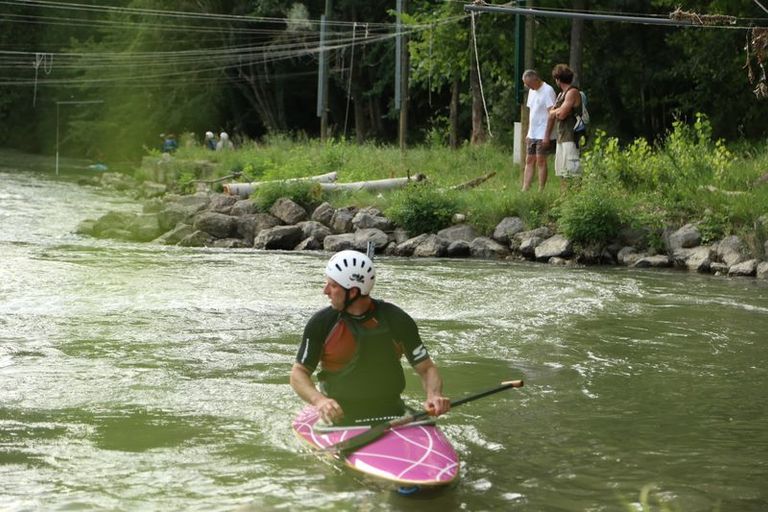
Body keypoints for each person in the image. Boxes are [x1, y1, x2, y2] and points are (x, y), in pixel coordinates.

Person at [290, 250, 451, 426]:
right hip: (338, 416)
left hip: (392, 412)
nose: (325, 291)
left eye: (333, 285)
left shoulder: (396, 320)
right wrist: (319, 401)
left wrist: (434, 395)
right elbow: (299, 373)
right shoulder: (322, 323)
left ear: (352, 292)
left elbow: (426, 368)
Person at [521, 69, 557, 192]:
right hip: (533, 133)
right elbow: (532, 113)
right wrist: (529, 132)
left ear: (536, 79)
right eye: (526, 84)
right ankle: (525, 187)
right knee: (529, 159)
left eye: (529, 84)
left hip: (543, 133)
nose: (528, 86)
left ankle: (541, 189)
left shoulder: (548, 91)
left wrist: (547, 135)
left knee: (540, 160)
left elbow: (551, 114)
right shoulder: (532, 91)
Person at [548, 64, 582, 190]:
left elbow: (561, 115)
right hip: (561, 137)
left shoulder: (572, 92)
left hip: (572, 137)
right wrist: (557, 111)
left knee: (573, 171)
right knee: (562, 171)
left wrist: (557, 111)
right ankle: (564, 199)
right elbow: (550, 114)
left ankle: (576, 198)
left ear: (558, 79)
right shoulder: (561, 95)